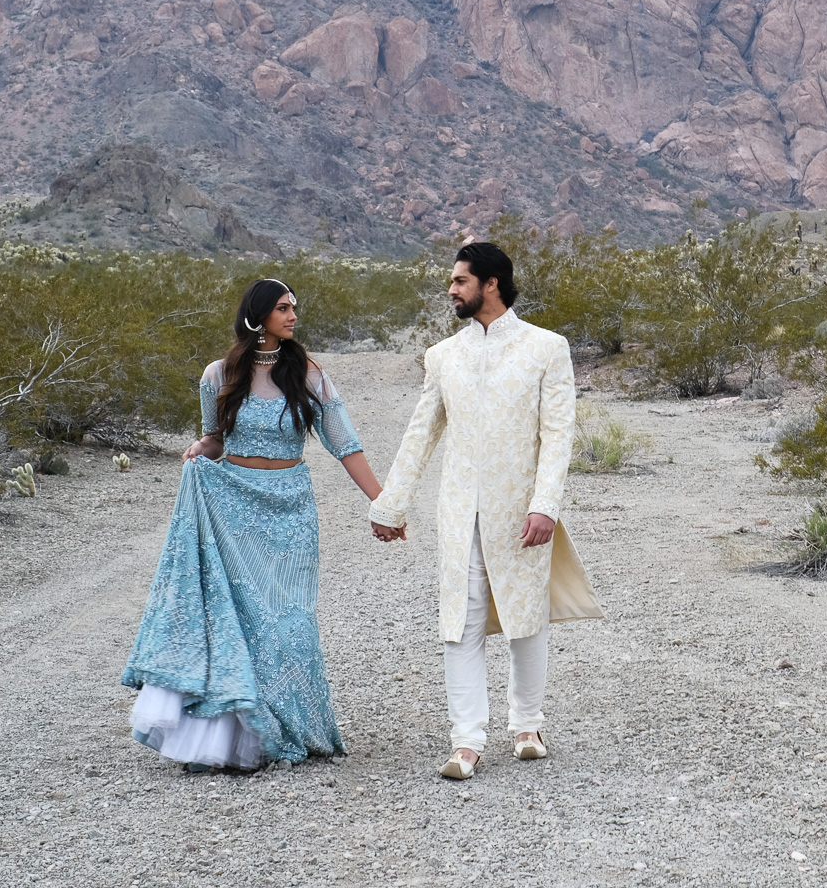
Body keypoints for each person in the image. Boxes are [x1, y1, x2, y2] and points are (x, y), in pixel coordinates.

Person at [121, 278, 385, 771]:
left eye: (294, 308)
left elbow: (344, 444)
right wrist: (202, 450)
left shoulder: (308, 375)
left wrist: (382, 503)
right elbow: (215, 440)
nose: (292, 316)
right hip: (233, 506)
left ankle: (295, 728)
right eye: (283, 308)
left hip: (291, 511)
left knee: (291, 624)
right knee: (240, 620)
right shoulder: (217, 375)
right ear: (257, 315)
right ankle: (234, 742)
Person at [370, 241, 602, 779]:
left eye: (459, 281)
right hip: (458, 514)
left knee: (526, 616)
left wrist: (545, 505)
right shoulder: (443, 355)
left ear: (490, 284)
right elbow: (420, 433)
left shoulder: (546, 348)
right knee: (462, 619)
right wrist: (392, 505)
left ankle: (528, 724)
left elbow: (558, 434)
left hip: (521, 510)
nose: (451, 290)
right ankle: (466, 741)